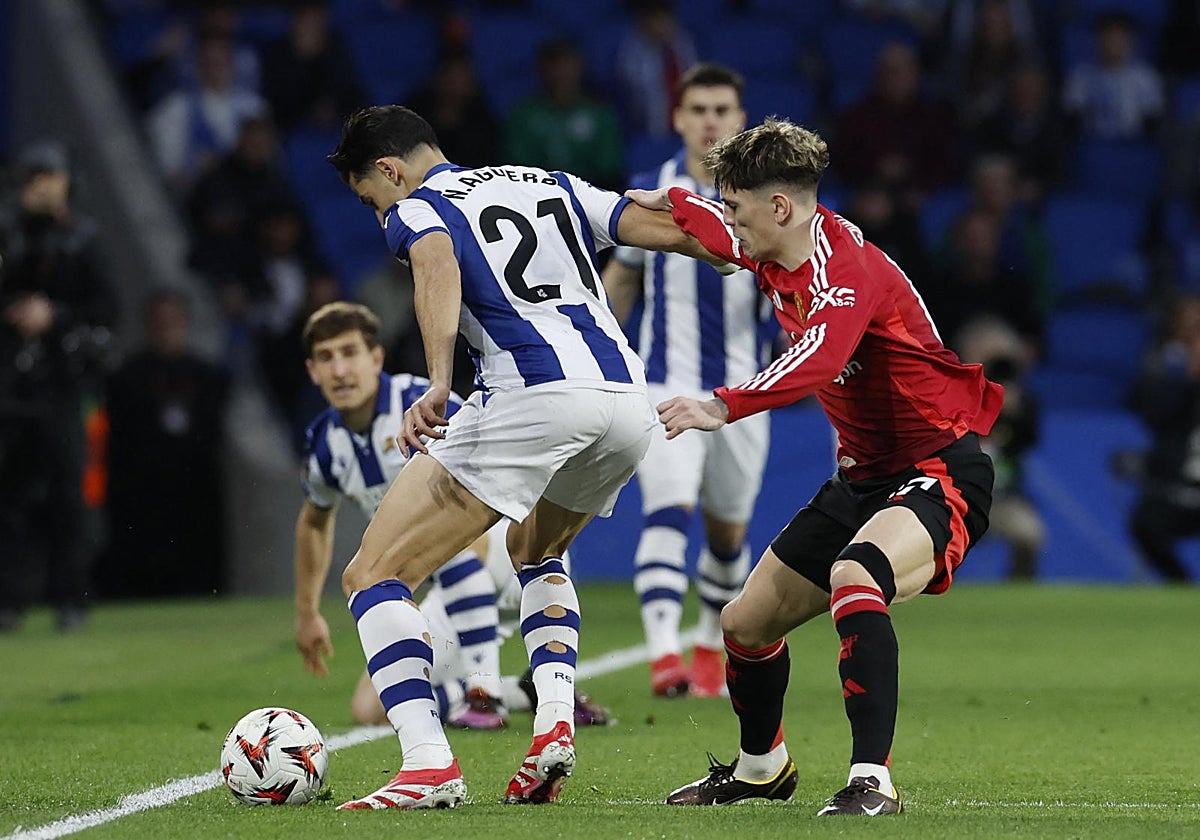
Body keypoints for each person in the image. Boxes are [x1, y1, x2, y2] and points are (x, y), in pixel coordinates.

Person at [323, 104, 723, 809]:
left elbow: (435, 258)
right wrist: (745, 244)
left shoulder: (418, 205)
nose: (376, 210)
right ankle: (552, 726)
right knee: (532, 550)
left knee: (371, 574)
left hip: (534, 394)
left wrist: (441, 382)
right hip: (626, 400)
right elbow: (656, 229)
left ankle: (427, 764)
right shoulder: (548, 181)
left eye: (369, 196)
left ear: (388, 169)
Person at [623, 118, 1001, 815]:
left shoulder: (843, 267)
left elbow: (821, 359)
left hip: (938, 465)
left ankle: (872, 782)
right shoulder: (771, 245)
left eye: (740, 208)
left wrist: (722, 406)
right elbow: (703, 220)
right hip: (863, 478)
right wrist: (629, 203)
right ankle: (762, 767)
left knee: (856, 577)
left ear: (779, 208)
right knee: (744, 624)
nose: (731, 222)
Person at [295, 301, 612, 728]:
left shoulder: (420, 403)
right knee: (371, 709)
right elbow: (314, 522)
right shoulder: (325, 444)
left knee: (451, 531)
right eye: (326, 358)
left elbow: (484, 485)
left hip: (509, 553)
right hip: (454, 587)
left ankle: (484, 694)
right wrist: (308, 612)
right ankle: (522, 691)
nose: (339, 371)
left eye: (349, 353)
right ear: (312, 371)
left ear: (376, 358)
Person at [601, 63, 771, 699]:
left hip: (744, 396)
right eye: (698, 109)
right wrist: (601, 360)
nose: (710, 122)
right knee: (668, 509)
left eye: (722, 110)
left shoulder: (765, 203)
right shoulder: (652, 193)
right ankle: (663, 657)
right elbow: (621, 281)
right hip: (664, 384)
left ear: (740, 118)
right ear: (677, 118)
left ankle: (706, 643)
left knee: (729, 534)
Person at [0, 140, 118, 633]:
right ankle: (10, 601)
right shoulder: (7, 234)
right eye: (35, 179)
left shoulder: (84, 240)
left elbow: (107, 312)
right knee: (8, 500)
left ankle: (72, 599)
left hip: (64, 385)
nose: (44, 188)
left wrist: (55, 316)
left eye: (52, 177)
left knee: (70, 498)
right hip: (9, 385)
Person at [101, 289, 229, 598]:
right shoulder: (127, 376)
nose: (167, 328)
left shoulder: (206, 374)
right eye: (160, 322)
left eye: (173, 321)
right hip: (143, 487)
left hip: (193, 485)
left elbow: (212, 431)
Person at [955, 316, 1043, 580]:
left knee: (1030, 533)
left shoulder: (1021, 400)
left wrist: (1012, 414)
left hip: (1002, 499)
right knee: (937, 540)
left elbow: (1028, 440)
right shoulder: (955, 395)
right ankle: (938, 594)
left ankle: (1019, 592)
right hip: (956, 499)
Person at [1125, 294, 1200, 583]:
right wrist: (1192, 383)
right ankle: (1180, 584)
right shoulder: (1168, 375)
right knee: (1146, 521)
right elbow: (1151, 410)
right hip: (1179, 487)